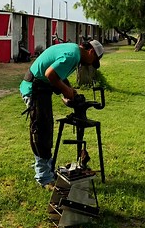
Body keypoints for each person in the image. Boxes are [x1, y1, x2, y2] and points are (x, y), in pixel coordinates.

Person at [20, 39, 104, 188]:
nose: (90, 64)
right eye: (93, 61)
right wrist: (66, 91)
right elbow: (50, 74)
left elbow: (59, 74)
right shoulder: (73, 55)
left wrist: (68, 91)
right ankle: (44, 177)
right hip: (34, 89)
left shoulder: (72, 51)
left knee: (45, 129)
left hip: (41, 88)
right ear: (91, 52)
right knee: (41, 131)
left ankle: (47, 169)